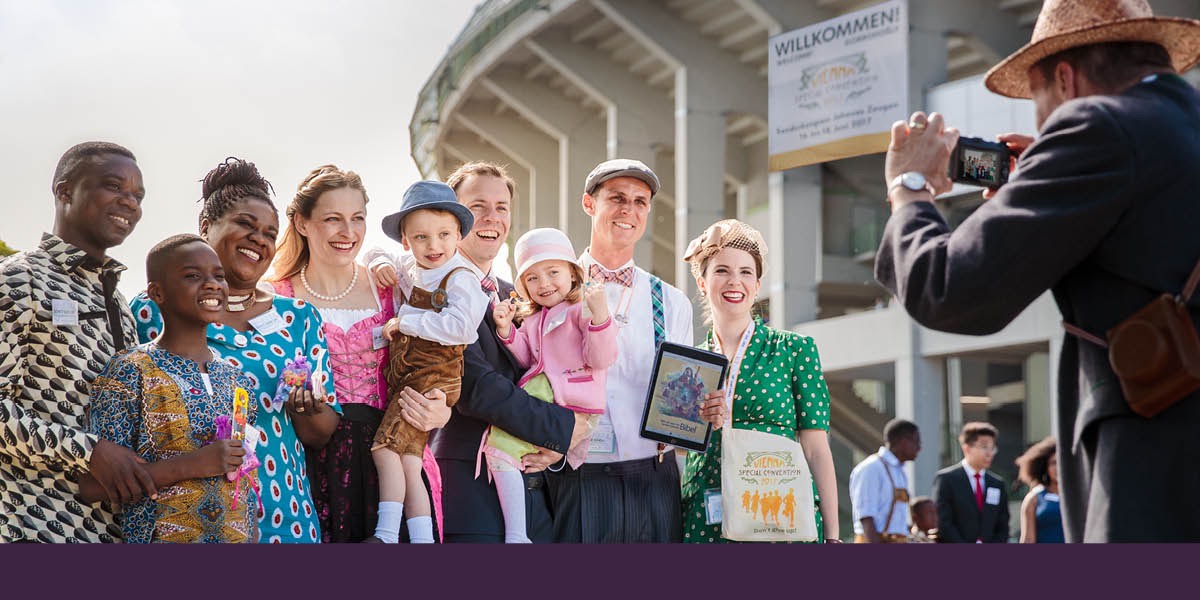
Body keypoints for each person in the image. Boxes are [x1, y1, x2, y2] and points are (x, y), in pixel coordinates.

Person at [874, 0, 1200, 542]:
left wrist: (909, 190)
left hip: (1155, 480)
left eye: (1037, 100)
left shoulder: (1096, 125)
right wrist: (1051, 177)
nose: (1040, 122)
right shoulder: (1176, 126)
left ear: (1065, 80)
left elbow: (949, 287)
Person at [372, 161, 588, 543]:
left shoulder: (519, 295)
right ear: (455, 220)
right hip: (468, 495)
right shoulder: (432, 292)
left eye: (501, 207)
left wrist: (557, 445)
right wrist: (564, 429)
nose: (492, 218)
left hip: (533, 494)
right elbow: (477, 387)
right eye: (478, 206)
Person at [130, 157, 341, 543]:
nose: (259, 239)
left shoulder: (299, 318)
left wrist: (308, 407)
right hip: (189, 521)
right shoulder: (154, 307)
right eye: (245, 224)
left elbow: (320, 434)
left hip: (285, 518)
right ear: (205, 226)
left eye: (269, 233)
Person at [268, 165, 450, 543]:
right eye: (332, 219)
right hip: (309, 463)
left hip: (391, 459)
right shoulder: (276, 297)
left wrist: (441, 408)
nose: (348, 232)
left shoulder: (392, 287)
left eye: (357, 218)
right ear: (302, 223)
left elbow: (433, 361)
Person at [543, 158, 708, 543]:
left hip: (654, 477)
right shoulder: (552, 293)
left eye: (639, 202)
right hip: (576, 476)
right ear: (589, 204)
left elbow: (682, 399)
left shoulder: (671, 301)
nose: (628, 210)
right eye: (617, 198)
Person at [0, 141, 156, 543]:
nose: (130, 202)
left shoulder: (119, 303)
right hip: (34, 526)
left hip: (117, 532)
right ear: (64, 191)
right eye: (114, 186)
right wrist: (89, 451)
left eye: (138, 195)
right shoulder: (18, 279)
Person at [84, 235, 257, 543]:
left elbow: (245, 480)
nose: (212, 284)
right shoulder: (130, 371)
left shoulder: (237, 381)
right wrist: (191, 465)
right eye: (193, 276)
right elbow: (91, 486)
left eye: (219, 276)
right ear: (157, 292)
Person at [679, 219, 839, 543]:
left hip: (780, 517)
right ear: (702, 282)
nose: (734, 281)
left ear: (757, 284)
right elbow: (677, 450)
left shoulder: (793, 349)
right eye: (722, 270)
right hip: (705, 518)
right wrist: (698, 423)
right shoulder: (689, 364)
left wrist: (833, 535)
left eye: (745, 272)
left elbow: (817, 450)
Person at [368, 180, 488, 544]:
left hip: (432, 375)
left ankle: (386, 533)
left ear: (459, 235)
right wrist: (380, 261)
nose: (433, 246)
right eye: (421, 237)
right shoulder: (412, 266)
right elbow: (376, 251)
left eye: (443, 235)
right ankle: (422, 538)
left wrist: (406, 321)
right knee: (409, 458)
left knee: (385, 449)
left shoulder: (462, 278)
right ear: (406, 241)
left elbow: (462, 328)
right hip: (411, 374)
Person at [487, 227, 618, 543]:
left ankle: (517, 533)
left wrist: (600, 315)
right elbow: (527, 360)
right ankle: (518, 532)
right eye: (532, 278)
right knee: (501, 452)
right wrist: (507, 331)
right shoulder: (535, 318)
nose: (543, 283)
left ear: (573, 274)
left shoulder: (582, 310)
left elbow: (601, 358)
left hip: (569, 396)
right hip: (546, 395)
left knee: (499, 446)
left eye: (553, 272)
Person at [931, 422, 1009, 543]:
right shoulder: (946, 479)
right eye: (984, 447)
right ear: (967, 448)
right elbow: (943, 522)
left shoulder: (997, 484)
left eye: (992, 448)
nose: (990, 453)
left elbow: (1003, 525)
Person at [849, 418, 921, 543]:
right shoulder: (872, 468)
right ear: (903, 441)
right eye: (916, 441)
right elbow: (866, 518)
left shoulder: (900, 472)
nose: (919, 448)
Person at [1016, 436, 1064, 543]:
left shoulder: (1078, 496)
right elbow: (1028, 540)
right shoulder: (1034, 498)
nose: (1058, 468)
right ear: (1044, 467)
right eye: (1053, 463)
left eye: (1062, 462)